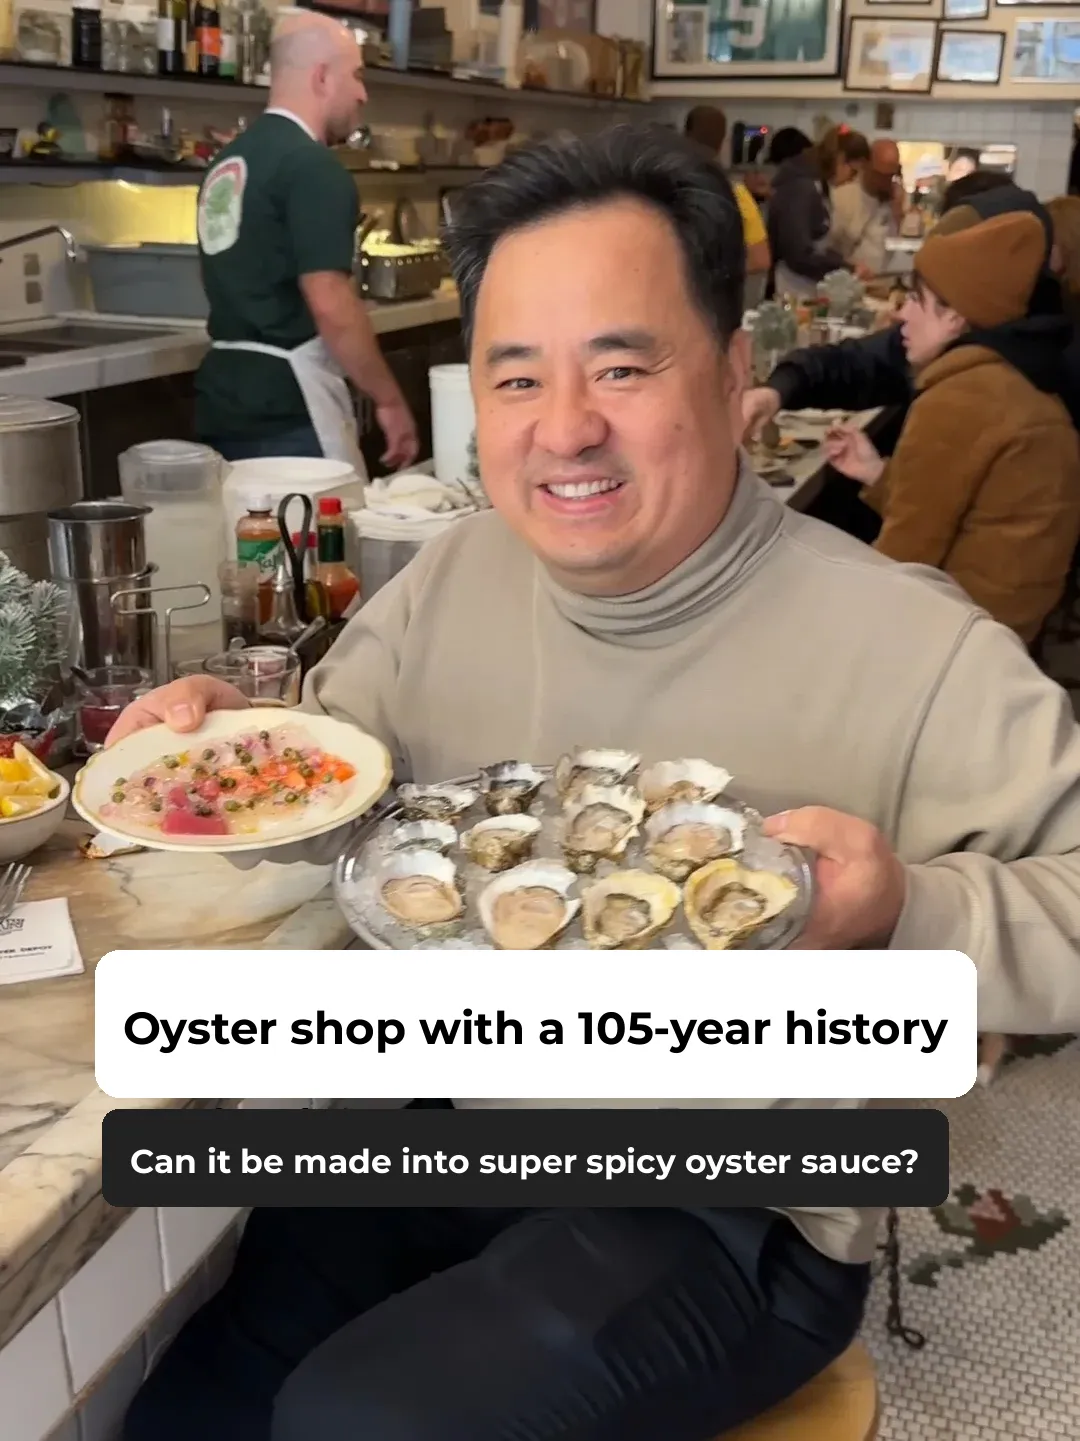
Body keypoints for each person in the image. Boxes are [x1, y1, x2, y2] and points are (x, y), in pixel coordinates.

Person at [116, 126, 1080, 1441]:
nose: (563, 429)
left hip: (736, 1194)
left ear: (738, 372)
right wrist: (231, 754)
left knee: (360, 1421)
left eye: (622, 365)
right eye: (517, 379)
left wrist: (910, 907)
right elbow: (337, 793)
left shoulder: (917, 647)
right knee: (189, 1414)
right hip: (457, 1109)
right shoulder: (448, 582)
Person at [824, 212, 1080, 644]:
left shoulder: (960, 399)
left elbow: (904, 556)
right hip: (1009, 626)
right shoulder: (1012, 380)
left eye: (916, 299)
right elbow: (962, 512)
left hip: (960, 634)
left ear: (956, 318)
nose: (900, 314)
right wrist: (878, 474)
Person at [194, 9, 418, 468]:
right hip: (290, 412)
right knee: (312, 540)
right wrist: (389, 400)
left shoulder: (227, 164)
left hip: (224, 402)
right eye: (356, 75)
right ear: (321, 77)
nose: (362, 93)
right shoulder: (314, 169)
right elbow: (329, 301)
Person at [765, 125, 866, 297]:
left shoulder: (817, 185)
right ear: (841, 159)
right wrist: (844, 268)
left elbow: (817, 242)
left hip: (805, 287)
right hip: (790, 289)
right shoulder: (801, 188)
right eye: (854, 171)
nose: (852, 179)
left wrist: (841, 263)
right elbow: (798, 254)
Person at [683, 105, 770, 279]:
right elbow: (760, 258)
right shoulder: (736, 193)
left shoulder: (664, 186)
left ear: (684, 136)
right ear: (723, 143)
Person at [828, 139, 902, 277]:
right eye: (879, 175)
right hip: (849, 281)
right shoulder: (841, 197)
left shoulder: (895, 199)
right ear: (865, 164)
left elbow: (897, 243)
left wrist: (899, 212)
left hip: (883, 280)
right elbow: (828, 248)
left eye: (890, 176)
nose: (884, 181)